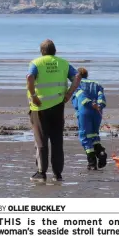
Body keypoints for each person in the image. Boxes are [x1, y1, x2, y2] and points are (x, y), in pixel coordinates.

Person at [27, 39, 82, 183]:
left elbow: (30, 77)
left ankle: (41, 172)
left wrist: (33, 95)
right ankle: (57, 174)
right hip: (58, 105)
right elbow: (77, 77)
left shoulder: (36, 63)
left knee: (41, 140)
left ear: (42, 51)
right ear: (55, 51)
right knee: (57, 140)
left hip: (39, 106)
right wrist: (69, 94)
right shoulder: (63, 63)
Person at [71, 67, 107, 171]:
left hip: (85, 111)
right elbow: (101, 96)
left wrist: (91, 104)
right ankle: (101, 152)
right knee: (94, 134)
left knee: (85, 137)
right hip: (97, 112)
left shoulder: (77, 85)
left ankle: (92, 163)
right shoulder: (97, 84)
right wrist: (99, 105)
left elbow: (82, 97)